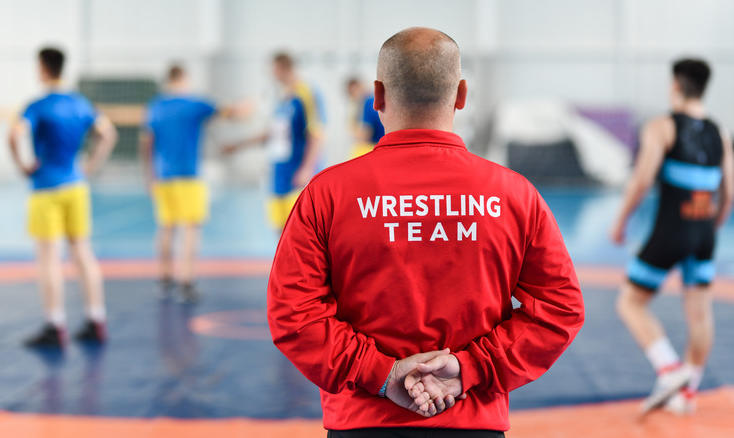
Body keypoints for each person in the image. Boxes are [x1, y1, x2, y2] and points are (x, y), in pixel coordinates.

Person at [267, 27, 584, 437]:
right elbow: (560, 308)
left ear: (377, 96)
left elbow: (292, 314)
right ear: (461, 95)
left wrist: (383, 374)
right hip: (472, 419)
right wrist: (468, 368)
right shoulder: (514, 194)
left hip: (363, 421)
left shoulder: (326, 194)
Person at [610, 58, 734, 415]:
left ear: (675, 86)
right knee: (700, 313)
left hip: (671, 231)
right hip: (704, 232)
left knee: (630, 302)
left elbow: (643, 179)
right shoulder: (720, 132)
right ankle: (688, 393)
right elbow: (728, 191)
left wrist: (620, 221)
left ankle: (669, 369)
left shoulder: (662, 126)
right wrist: (713, 227)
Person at [9, 47, 118, 348]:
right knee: (82, 250)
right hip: (76, 186)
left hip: (46, 187)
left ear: (43, 68)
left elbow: (13, 134)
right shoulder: (82, 104)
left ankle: (54, 325)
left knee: (48, 258)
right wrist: (91, 166)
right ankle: (96, 319)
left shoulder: (37, 105)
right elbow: (109, 134)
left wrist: (22, 166)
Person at [141, 64, 253, 302]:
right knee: (190, 229)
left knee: (166, 227)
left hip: (163, 177)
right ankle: (186, 281)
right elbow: (232, 113)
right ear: (184, 79)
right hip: (189, 177)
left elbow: (146, 143)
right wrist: (246, 107)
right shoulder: (195, 104)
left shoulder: (155, 107)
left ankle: (163, 279)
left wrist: (149, 175)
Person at [223, 52, 325, 230]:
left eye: (273, 70)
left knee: (301, 233)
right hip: (279, 174)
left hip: (297, 175)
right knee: (280, 231)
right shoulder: (281, 98)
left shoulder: (306, 93)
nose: (271, 75)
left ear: (282, 69)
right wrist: (238, 145)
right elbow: (271, 134)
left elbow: (316, 134)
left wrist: (307, 168)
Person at [346, 77, 385, 158]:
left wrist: (352, 126)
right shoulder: (377, 99)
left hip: (377, 148)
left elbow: (365, 135)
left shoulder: (368, 102)